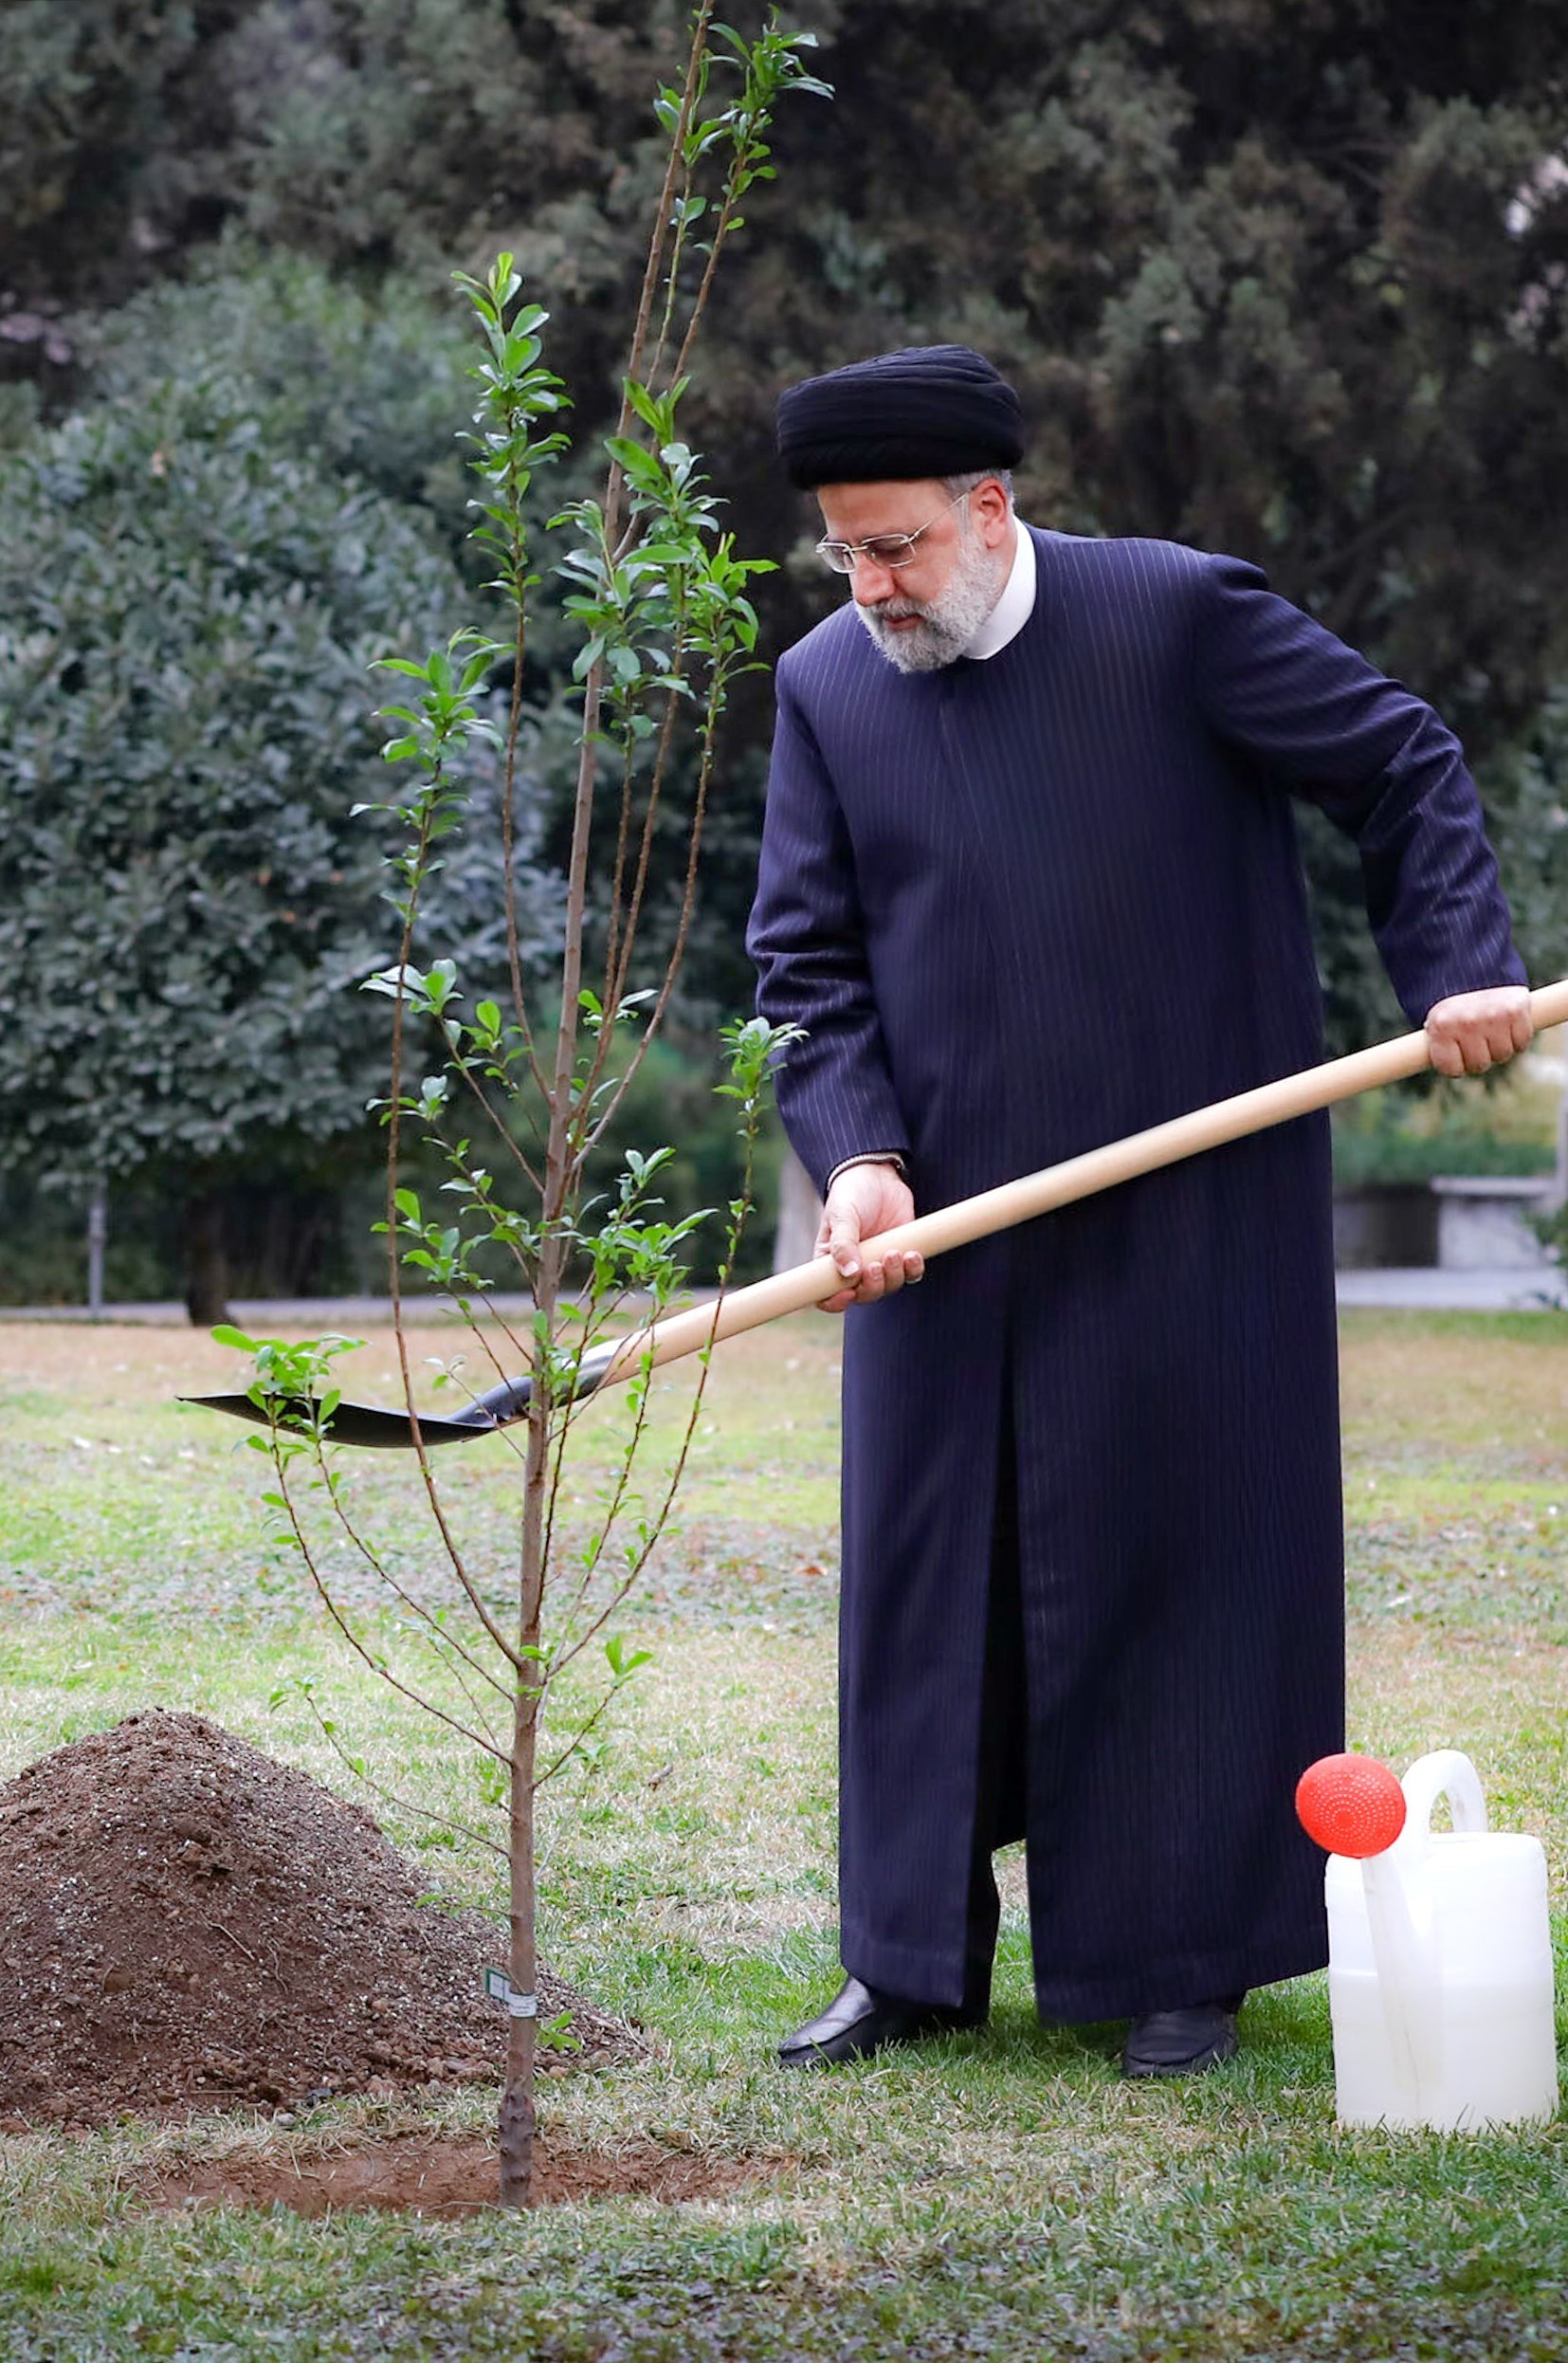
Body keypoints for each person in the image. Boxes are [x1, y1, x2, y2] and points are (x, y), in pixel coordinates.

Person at [745, 344, 1533, 2077]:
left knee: (1178, 1556)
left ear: (990, 508)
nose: (868, 588)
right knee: (930, 1581)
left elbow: (1399, 761)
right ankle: (907, 1962)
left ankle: (1175, 1959)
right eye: (845, 554)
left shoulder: (1173, 619)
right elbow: (803, 967)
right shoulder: (827, 685)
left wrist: (1461, 973)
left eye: (894, 551)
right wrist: (859, 1154)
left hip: (1195, 1198)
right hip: (940, 1222)